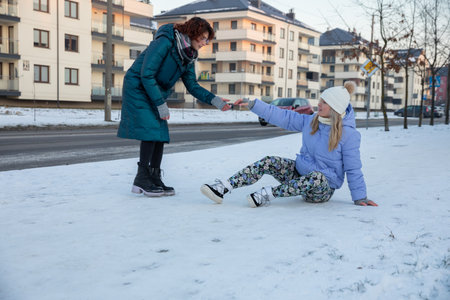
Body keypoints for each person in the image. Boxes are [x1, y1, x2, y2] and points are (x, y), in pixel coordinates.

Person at [201, 81, 377, 207]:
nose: (319, 104)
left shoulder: (349, 135)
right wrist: (254, 105)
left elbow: (353, 169)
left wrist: (360, 197)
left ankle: (268, 194)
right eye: (321, 100)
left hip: (321, 188)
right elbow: (283, 116)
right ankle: (223, 187)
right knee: (269, 161)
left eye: (324, 102)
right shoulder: (311, 121)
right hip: (299, 175)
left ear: (335, 108)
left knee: (317, 177)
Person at [118, 17, 231, 197]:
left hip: (155, 90)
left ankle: (154, 177)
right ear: (192, 33)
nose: (204, 43)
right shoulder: (165, 42)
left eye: (207, 40)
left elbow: (192, 86)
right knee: (151, 129)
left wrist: (216, 101)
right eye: (202, 38)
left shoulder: (188, 55)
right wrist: (160, 103)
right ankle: (141, 178)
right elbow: (146, 74)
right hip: (138, 86)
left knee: (160, 133)